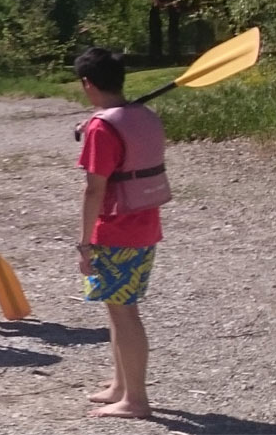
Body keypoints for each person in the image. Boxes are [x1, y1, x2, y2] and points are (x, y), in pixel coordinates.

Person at [74, 48, 168, 419]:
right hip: (145, 224)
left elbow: (94, 189)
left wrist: (84, 243)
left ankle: (137, 399)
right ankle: (120, 385)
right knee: (117, 309)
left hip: (115, 231)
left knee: (124, 312)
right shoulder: (143, 115)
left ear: (87, 83)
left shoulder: (104, 126)